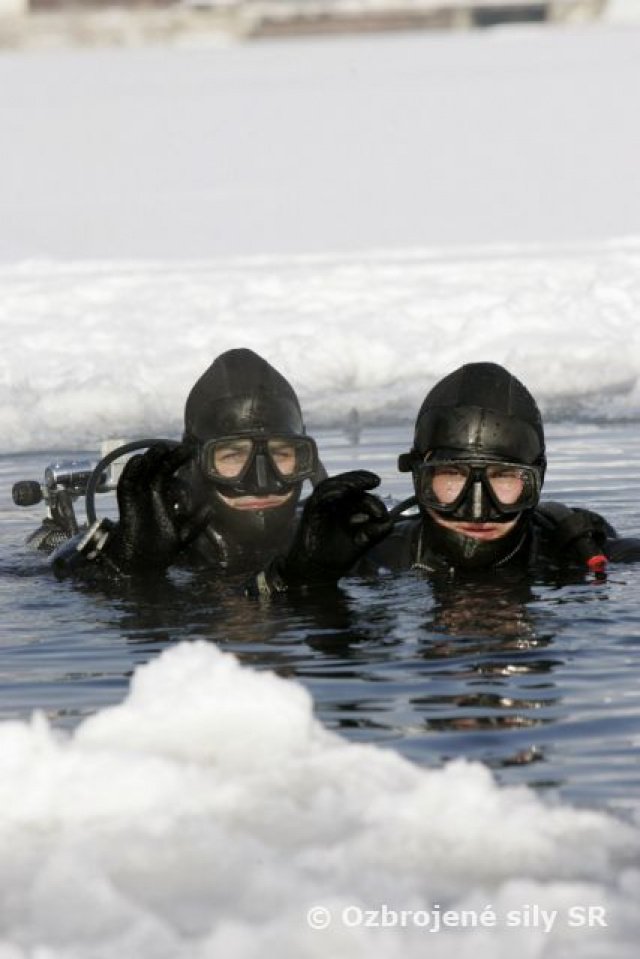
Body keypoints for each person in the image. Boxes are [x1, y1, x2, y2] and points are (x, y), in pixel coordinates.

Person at [251, 361, 640, 594]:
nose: (476, 510)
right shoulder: (376, 557)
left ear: (535, 480)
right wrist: (302, 577)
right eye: (450, 476)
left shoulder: (575, 551)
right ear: (418, 478)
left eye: (503, 477)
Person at [50, 348, 325, 580]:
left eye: (281, 455)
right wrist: (127, 565)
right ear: (192, 461)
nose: (261, 482)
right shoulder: (150, 539)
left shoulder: (330, 538)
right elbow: (56, 582)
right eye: (232, 456)